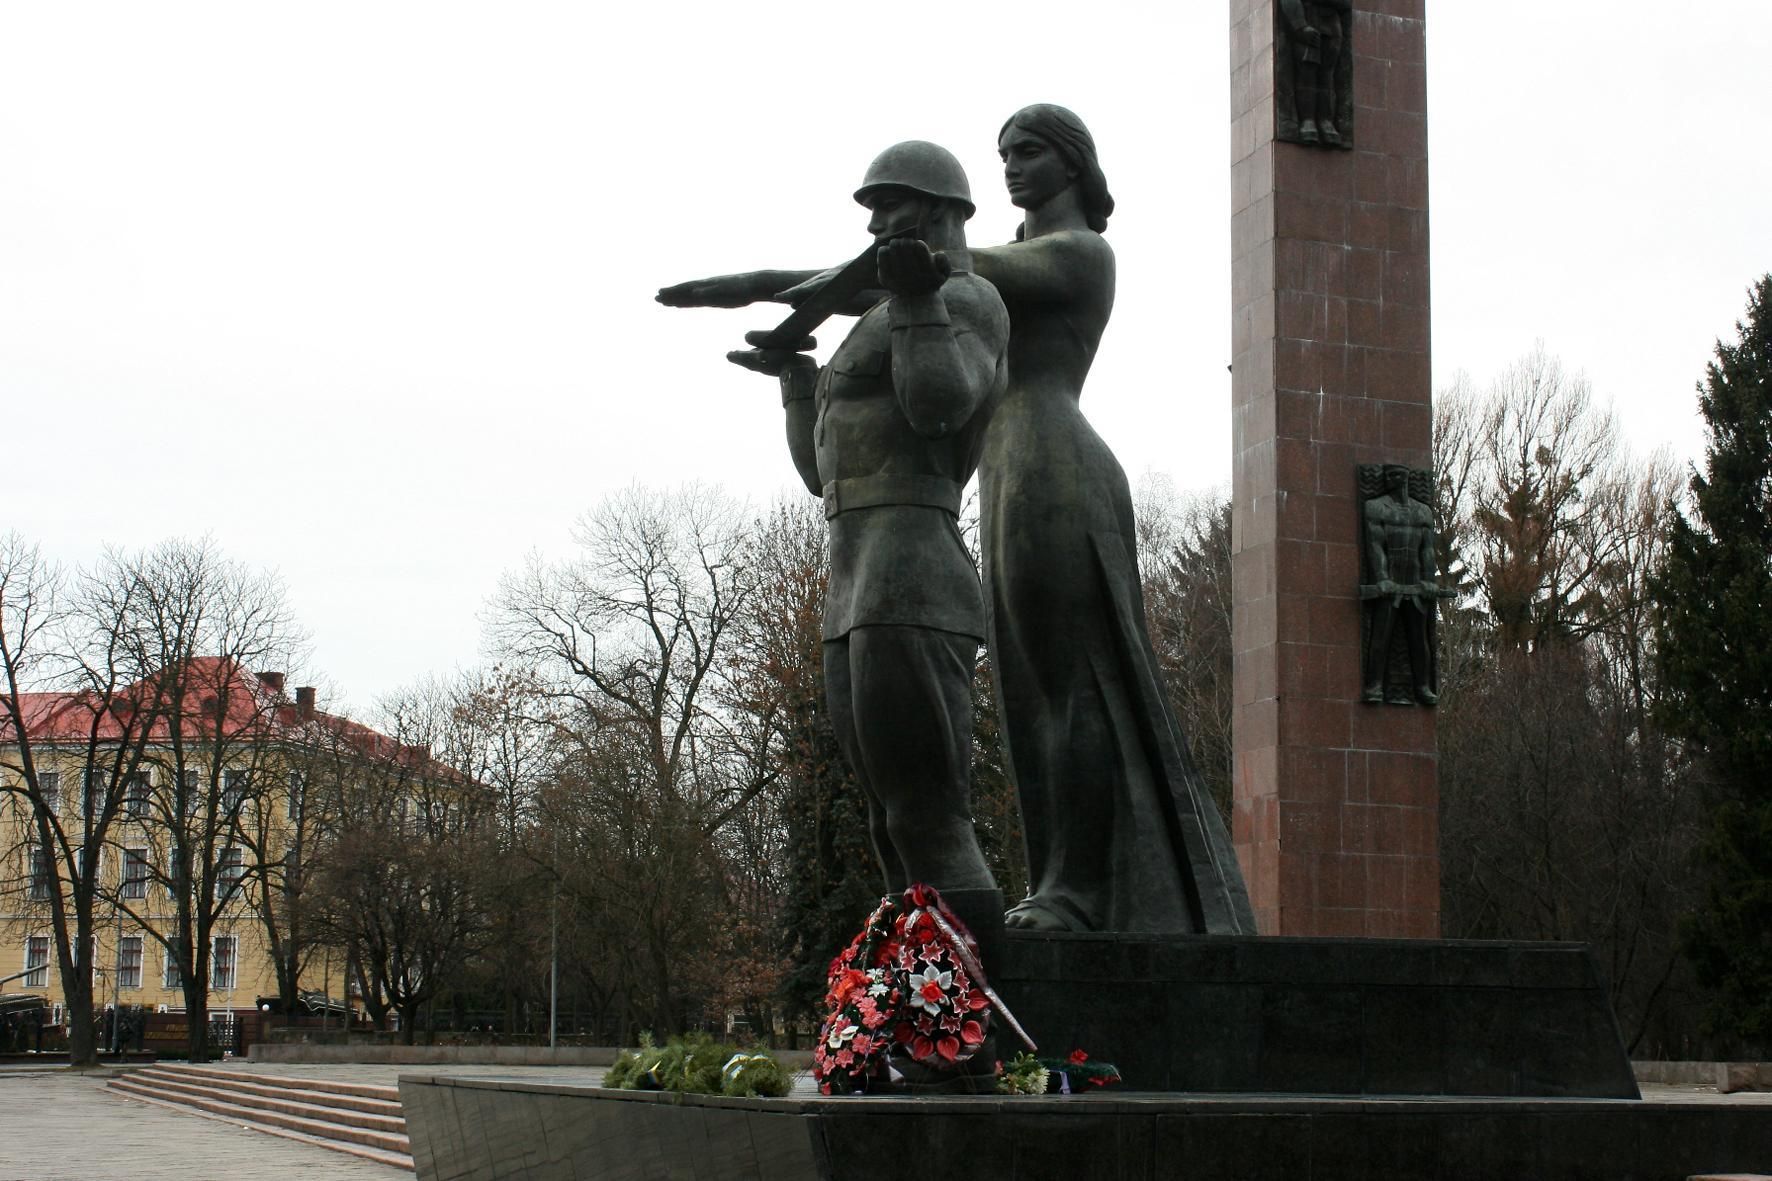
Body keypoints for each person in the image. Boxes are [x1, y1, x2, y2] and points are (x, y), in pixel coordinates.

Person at [659, 108, 1254, 935]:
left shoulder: (1079, 253)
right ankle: (1059, 884)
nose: (1012, 165)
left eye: (1031, 151)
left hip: (1058, 462)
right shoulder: (969, 273)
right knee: (1027, 698)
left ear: (1076, 164)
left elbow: (926, 271)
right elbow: (896, 277)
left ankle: (1077, 889)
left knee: (1069, 686)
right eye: (1003, 151)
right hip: (1009, 470)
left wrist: (770, 280)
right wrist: (794, 310)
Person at [720, 142, 1011, 943]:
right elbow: (825, 474)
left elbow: (938, 408)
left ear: (944, 210)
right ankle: (911, 1007)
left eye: (893, 204)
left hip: (914, 572)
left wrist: (921, 301)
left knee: (929, 813)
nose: (878, 223)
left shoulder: (974, 301)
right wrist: (794, 379)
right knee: (889, 818)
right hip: (854, 578)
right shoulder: (882, 317)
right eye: (872, 209)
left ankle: (972, 1023)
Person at [1361, 464, 1439, 705]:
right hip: (1390, 584)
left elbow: (1427, 549)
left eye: (1399, 474)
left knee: (1419, 640)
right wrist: (1382, 578)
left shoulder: (1423, 511)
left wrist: (1428, 580)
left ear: (1407, 477)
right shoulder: (1375, 507)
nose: (1395, 478)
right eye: (1391, 475)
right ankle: (1374, 686)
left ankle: (1423, 687)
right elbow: (1375, 545)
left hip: (1415, 583)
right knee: (1380, 639)